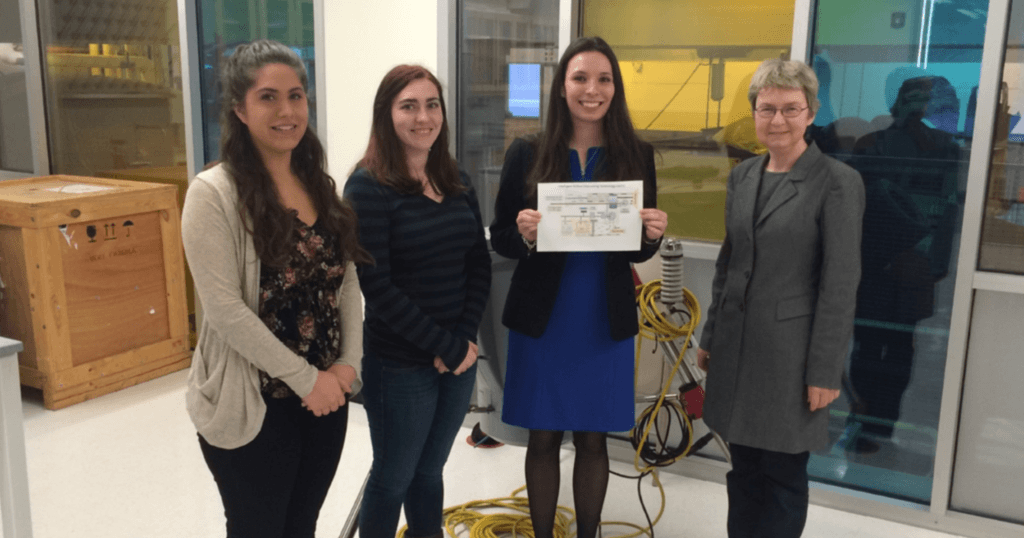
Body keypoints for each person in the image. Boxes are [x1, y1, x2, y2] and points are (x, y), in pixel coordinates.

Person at [181, 40, 372, 538]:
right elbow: (225, 310)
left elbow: (345, 280)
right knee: (259, 528)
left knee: (301, 526)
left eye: (296, 95)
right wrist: (307, 378)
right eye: (268, 97)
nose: (287, 111)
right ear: (240, 109)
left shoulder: (317, 184)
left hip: (324, 398)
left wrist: (347, 365)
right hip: (254, 403)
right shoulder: (213, 195)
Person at [489, 36, 668, 538]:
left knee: (594, 442)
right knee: (543, 438)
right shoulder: (527, 152)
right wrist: (522, 233)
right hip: (544, 320)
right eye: (580, 78)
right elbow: (501, 236)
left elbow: (636, 249)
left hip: (601, 320)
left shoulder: (636, 154)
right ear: (561, 86)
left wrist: (653, 235)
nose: (593, 89)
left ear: (616, 88)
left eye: (604, 79)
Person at [695, 58, 865, 538]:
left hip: (791, 357)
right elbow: (730, 264)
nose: (778, 120)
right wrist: (711, 334)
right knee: (743, 467)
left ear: (811, 113)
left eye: (791, 109)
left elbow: (840, 283)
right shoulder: (745, 176)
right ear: (754, 114)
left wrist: (825, 370)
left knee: (783, 475)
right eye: (767, 109)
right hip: (737, 347)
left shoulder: (836, 182)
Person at [343, 64, 491, 538]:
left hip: (458, 357)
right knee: (393, 477)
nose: (422, 117)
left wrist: (463, 340)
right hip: (400, 363)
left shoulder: (456, 179)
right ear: (387, 115)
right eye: (409, 105)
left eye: (432, 105)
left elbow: (478, 264)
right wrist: (444, 346)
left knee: (430, 472)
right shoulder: (367, 186)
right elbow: (377, 285)